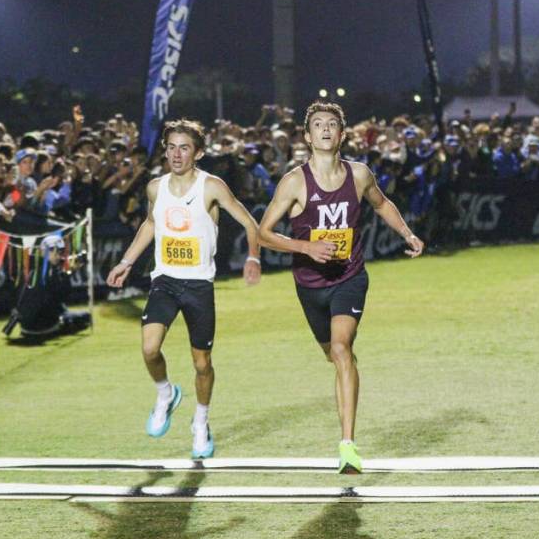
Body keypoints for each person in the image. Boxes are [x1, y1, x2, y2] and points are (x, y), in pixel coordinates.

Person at [257, 101, 424, 474]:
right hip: (309, 285)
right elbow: (263, 233)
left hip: (349, 278)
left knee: (341, 348)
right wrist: (306, 247)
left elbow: (382, 205)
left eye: (332, 124)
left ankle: (347, 445)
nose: (326, 130)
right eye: (318, 124)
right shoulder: (295, 181)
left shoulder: (360, 174)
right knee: (333, 355)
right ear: (307, 135)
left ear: (343, 134)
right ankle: (344, 375)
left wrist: (408, 233)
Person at [106, 119, 262, 459]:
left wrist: (253, 258)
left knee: (202, 363)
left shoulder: (212, 187)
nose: (177, 154)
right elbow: (150, 223)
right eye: (171, 147)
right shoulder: (154, 187)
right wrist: (126, 262)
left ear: (199, 152)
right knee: (149, 349)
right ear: (165, 151)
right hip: (164, 280)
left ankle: (200, 423)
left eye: (185, 147)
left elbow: (249, 222)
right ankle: (165, 393)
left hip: (199, 285)